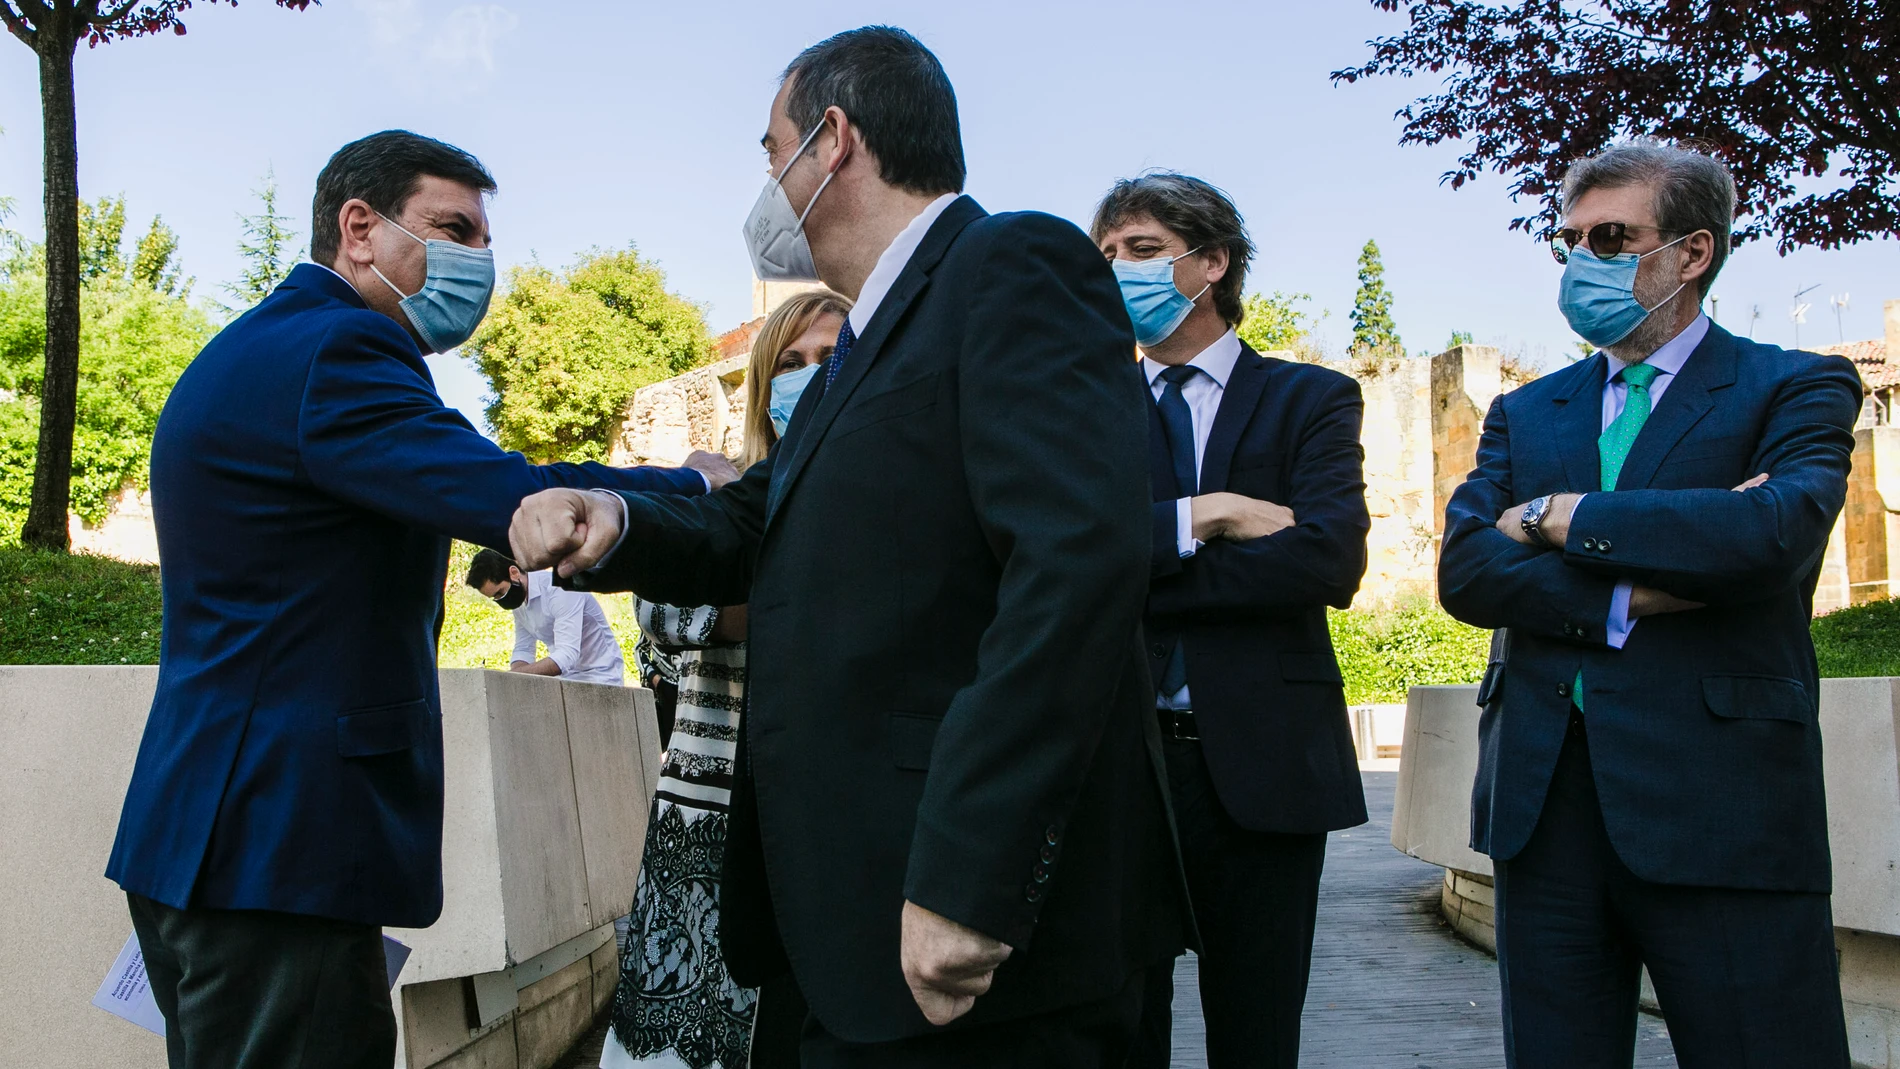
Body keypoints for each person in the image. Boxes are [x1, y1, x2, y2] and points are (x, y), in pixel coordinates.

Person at [510, 26, 1190, 1068]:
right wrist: (618, 520)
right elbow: (755, 521)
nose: (765, 187)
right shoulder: (858, 353)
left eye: (770, 148)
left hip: (974, 941)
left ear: (830, 142)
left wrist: (973, 873)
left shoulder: (1012, 264)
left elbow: (1073, 571)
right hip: (840, 931)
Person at [103, 130, 733, 1069]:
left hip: (210, 834)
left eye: (484, 239)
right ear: (359, 227)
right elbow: (503, 487)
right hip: (278, 846)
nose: (477, 261)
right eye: (452, 228)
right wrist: (692, 484)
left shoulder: (263, 345)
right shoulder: (338, 349)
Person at [1439, 140, 1859, 1067]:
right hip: (1542, 812)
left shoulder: (1794, 384)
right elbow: (1467, 574)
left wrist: (1557, 515)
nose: (1585, 259)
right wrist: (1630, 594)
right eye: (1571, 240)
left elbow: (1771, 538)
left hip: (1726, 805)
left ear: (1693, 252)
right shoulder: (1526, 412)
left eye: (1613, 237)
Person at [1091, 173, 1370, 1068]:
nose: (1117, 270)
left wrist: (1139, 567)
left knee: (1258, 1034)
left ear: (1209, 262)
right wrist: (1207, 518)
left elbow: (1328, 560)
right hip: (1117, 764)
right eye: (1105, 256)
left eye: (1139, 250)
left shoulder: (1312, 399)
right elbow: (1063, 565)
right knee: (1121, 1026)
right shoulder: (1082, 411)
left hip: (1267, 765)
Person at [601, 287, 852, 1069]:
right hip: (720, 809)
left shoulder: (901, 490)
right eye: (790, 364)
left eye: (829, 361)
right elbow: (663, 611)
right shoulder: (727, 488)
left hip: (849, 816)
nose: (807, 378)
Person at [464, 549, 628, 686]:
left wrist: (512, 677)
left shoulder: (560, 589)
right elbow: (523, 649)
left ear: (514, 573)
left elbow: (567, 654)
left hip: (602, 676)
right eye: (495, 598)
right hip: (566, 679)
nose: (500, 600)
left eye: (500, 592)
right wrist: (512, 679)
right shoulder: (519, 600)